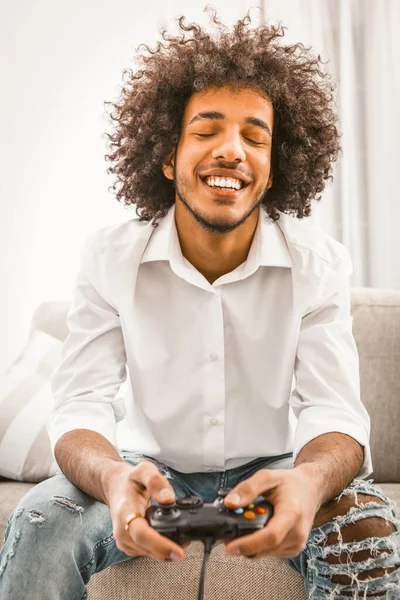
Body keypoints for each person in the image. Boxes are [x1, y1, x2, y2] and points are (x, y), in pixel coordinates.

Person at [1, 9, 399, 599]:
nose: (232, 151)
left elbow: (333, 410)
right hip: (147, 472)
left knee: (365, 528)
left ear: (274, 167)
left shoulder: (320, 264)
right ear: (167, 156)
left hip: (274, 469)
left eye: (255, 136)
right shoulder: (111, 258)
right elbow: (81, 400)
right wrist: (113, 478)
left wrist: (310, 481)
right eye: (207, 130)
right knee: (42, 522)